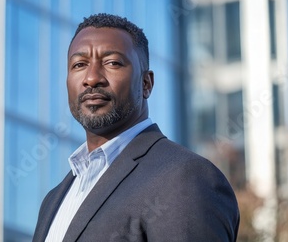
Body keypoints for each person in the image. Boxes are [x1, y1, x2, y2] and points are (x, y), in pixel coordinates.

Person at [33, 13, 240, 242]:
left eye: (112, 63)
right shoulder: (53, 200)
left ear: (146, 84)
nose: (91, 78)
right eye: (79, 64)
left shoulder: (184, 176)